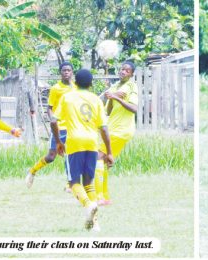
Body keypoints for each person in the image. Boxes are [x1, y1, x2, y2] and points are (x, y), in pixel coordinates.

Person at [51, 69, 113, 231]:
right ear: (91, 84)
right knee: (88, 183)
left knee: (73, 183)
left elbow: (53, 120)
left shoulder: (67, 97)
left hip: (74, 143)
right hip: (92, 143)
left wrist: (58, 142)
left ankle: (89, 204)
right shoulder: (96, 99)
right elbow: (104, 128)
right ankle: (95, 224)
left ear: (75, 82)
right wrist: (109, 152)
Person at [25, 62, 76, 188]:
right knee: (51, 156)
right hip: (58, 127)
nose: (66, 73)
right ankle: (32, 171)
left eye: (69, 70)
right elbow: (50, 107)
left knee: (70, 155)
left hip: (72, 127)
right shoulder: (56, 88)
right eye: (64, 70)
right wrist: (52, 119)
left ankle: (70, 184)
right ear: (60, 73)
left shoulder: (76, 88)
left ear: (72, 72)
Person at [94, 61, 138, 206]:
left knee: (98, 157)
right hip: (111, 129)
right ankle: (105, 197)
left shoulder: (131, 86)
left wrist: (117, 97)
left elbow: (134, 108)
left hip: (121, 130)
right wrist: (109, 98)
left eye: (127, 70)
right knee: (104, 161)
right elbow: (108, 111)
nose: (123, 72)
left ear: (131, 74)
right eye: (121, 69)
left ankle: (99, 196)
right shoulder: (114, 87)